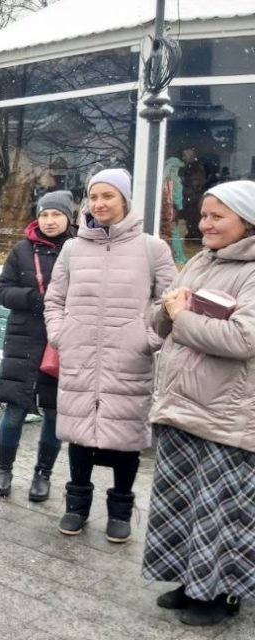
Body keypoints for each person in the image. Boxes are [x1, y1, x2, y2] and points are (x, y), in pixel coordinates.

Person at [143, 180, 255, 626]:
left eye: (216, 216)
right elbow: (163, 319)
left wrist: (180, 316)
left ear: (246, 221)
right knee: (185, 503)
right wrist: (166, 310)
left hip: (226, 413)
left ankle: (223, 594)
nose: (204, 224)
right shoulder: (200, 261)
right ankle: (191, 582)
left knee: (222, 509)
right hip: (180, 406)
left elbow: (243, 339)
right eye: (204, 215)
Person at [44, 168, 176, 543]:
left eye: (108, 196)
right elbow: (54, 300)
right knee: (79, 433)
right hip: (80, 352)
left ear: (125, 200)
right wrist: (60, 333)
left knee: (126, 435)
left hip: (128, 355)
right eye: (94, 197)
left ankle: (120, 509)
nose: (99, 204)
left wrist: (148, 336)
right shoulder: (73, 248)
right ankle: (76, 506)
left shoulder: (153, 248)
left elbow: (169, 301)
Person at [0, 191, 74, 501]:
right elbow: (2, 291)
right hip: (24, 338)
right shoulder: (21, 251)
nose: (49, 221)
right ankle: (4, 468)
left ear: (69, 217)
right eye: (44, 214)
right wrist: (35, 299)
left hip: (61, 340)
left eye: (56, 214)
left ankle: (43, 474)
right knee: (15, 409)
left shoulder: (79, 250)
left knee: (54, 412)